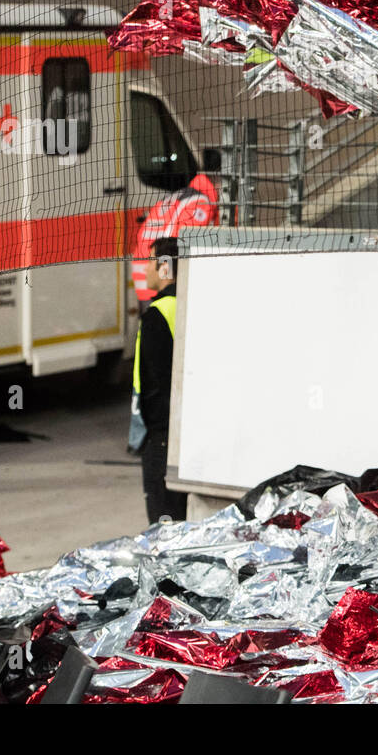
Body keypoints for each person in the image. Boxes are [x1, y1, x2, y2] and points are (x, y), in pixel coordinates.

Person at [136, 236, 186, 524]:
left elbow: (155, 384)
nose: (145, 270)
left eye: (150, 262)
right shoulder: (189, 302)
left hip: (162, 437)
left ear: (165, 267)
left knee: (163, 519)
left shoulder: (157, 315)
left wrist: (154, 435)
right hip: (183, 431)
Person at [131, 154, 218, 305]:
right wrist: (170, 285)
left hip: (146, 275)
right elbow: (174, 243)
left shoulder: (179, 196)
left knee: (150, 325)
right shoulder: (200, 202)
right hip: (159, 280)